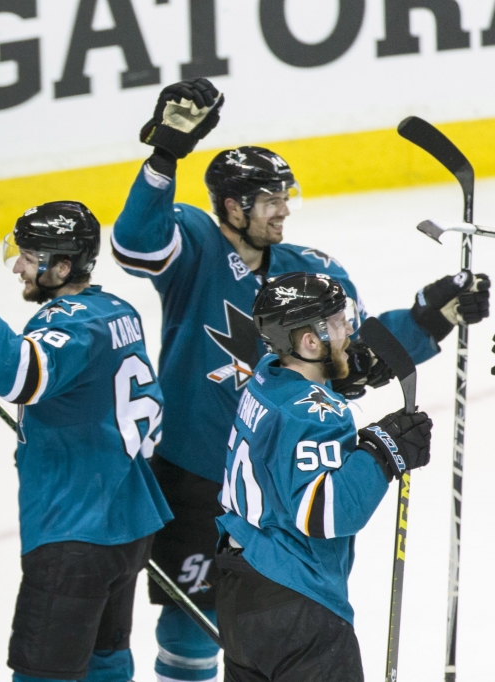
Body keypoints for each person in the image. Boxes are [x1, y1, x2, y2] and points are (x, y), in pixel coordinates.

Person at [111, 77, 489, 682]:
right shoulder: (198, 247)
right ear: (234, 206)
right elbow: (135, 245)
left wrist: (430, 316)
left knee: (279, 612)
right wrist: (164, 156)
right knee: (190, 620)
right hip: (198, 471)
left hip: (286, 476)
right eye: (269, 199)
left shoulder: (308, 272)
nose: (284, 208)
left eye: (285, 196)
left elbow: (353, 355)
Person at [0, 201, 173, 682]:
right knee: (106, 656)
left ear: (62, 265)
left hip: (76, 530)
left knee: (44, 671)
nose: (16, 265)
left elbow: (19, 376)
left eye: (29, 256)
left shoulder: (68, 323)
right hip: (128, 520)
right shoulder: (118, 310)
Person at [216, 272, 432, 681]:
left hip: (239, 593)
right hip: (296, 605)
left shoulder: (265, 376)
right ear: (310, 341)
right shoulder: (319, 414)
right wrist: (383, 452)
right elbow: (324, 514)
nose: (349, 328)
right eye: (337, 321)